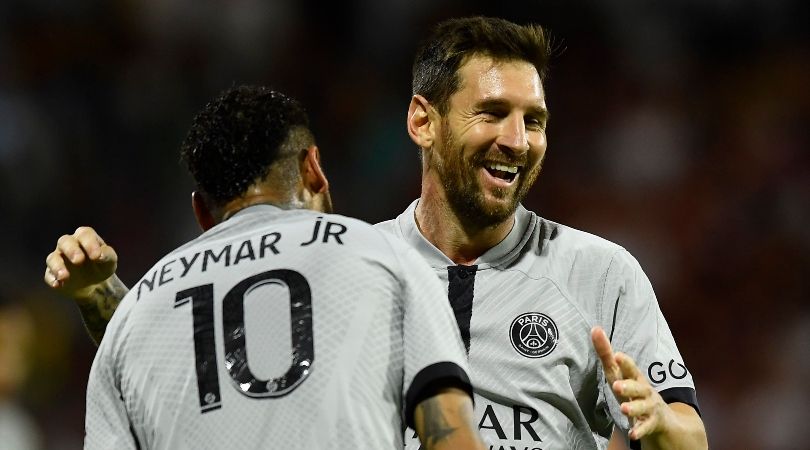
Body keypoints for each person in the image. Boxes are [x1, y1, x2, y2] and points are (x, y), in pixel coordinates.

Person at [45, 16, 708, 450]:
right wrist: (104, 297)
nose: (517, 139)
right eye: (493, 113)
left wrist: (655, 418)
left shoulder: (601, 271)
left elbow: (690, 436)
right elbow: (213, 345)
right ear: (423, 121)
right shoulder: (358, 261)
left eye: (533, 120)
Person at [50, 85, 485, 450]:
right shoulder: (385, 257)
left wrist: (96, 294)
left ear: (202, 212)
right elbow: (450, 434)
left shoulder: (138, 309)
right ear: (313, 168)